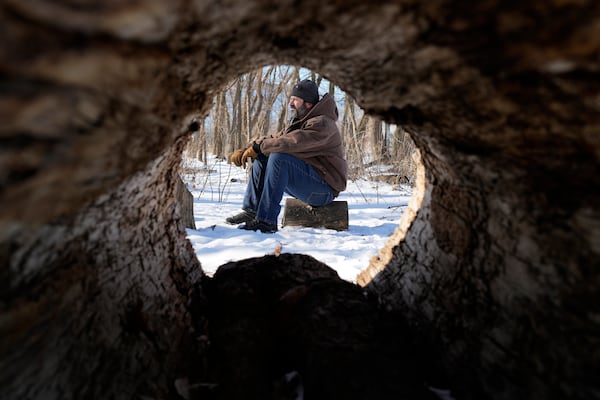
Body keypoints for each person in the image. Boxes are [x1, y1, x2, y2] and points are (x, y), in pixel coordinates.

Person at [226, 79, 348, 233]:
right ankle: (252, 211)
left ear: (308, 104)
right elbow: (275, 138)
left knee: (279, 158)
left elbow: (292, 142)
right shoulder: (302, 120)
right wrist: (249, 148)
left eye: (295, 100)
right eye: (291, 99)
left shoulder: (322, 124)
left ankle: (266, 221)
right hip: (310, 182)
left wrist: (258, 147)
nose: (290, 104)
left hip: (323, 190)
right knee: (263, 157)